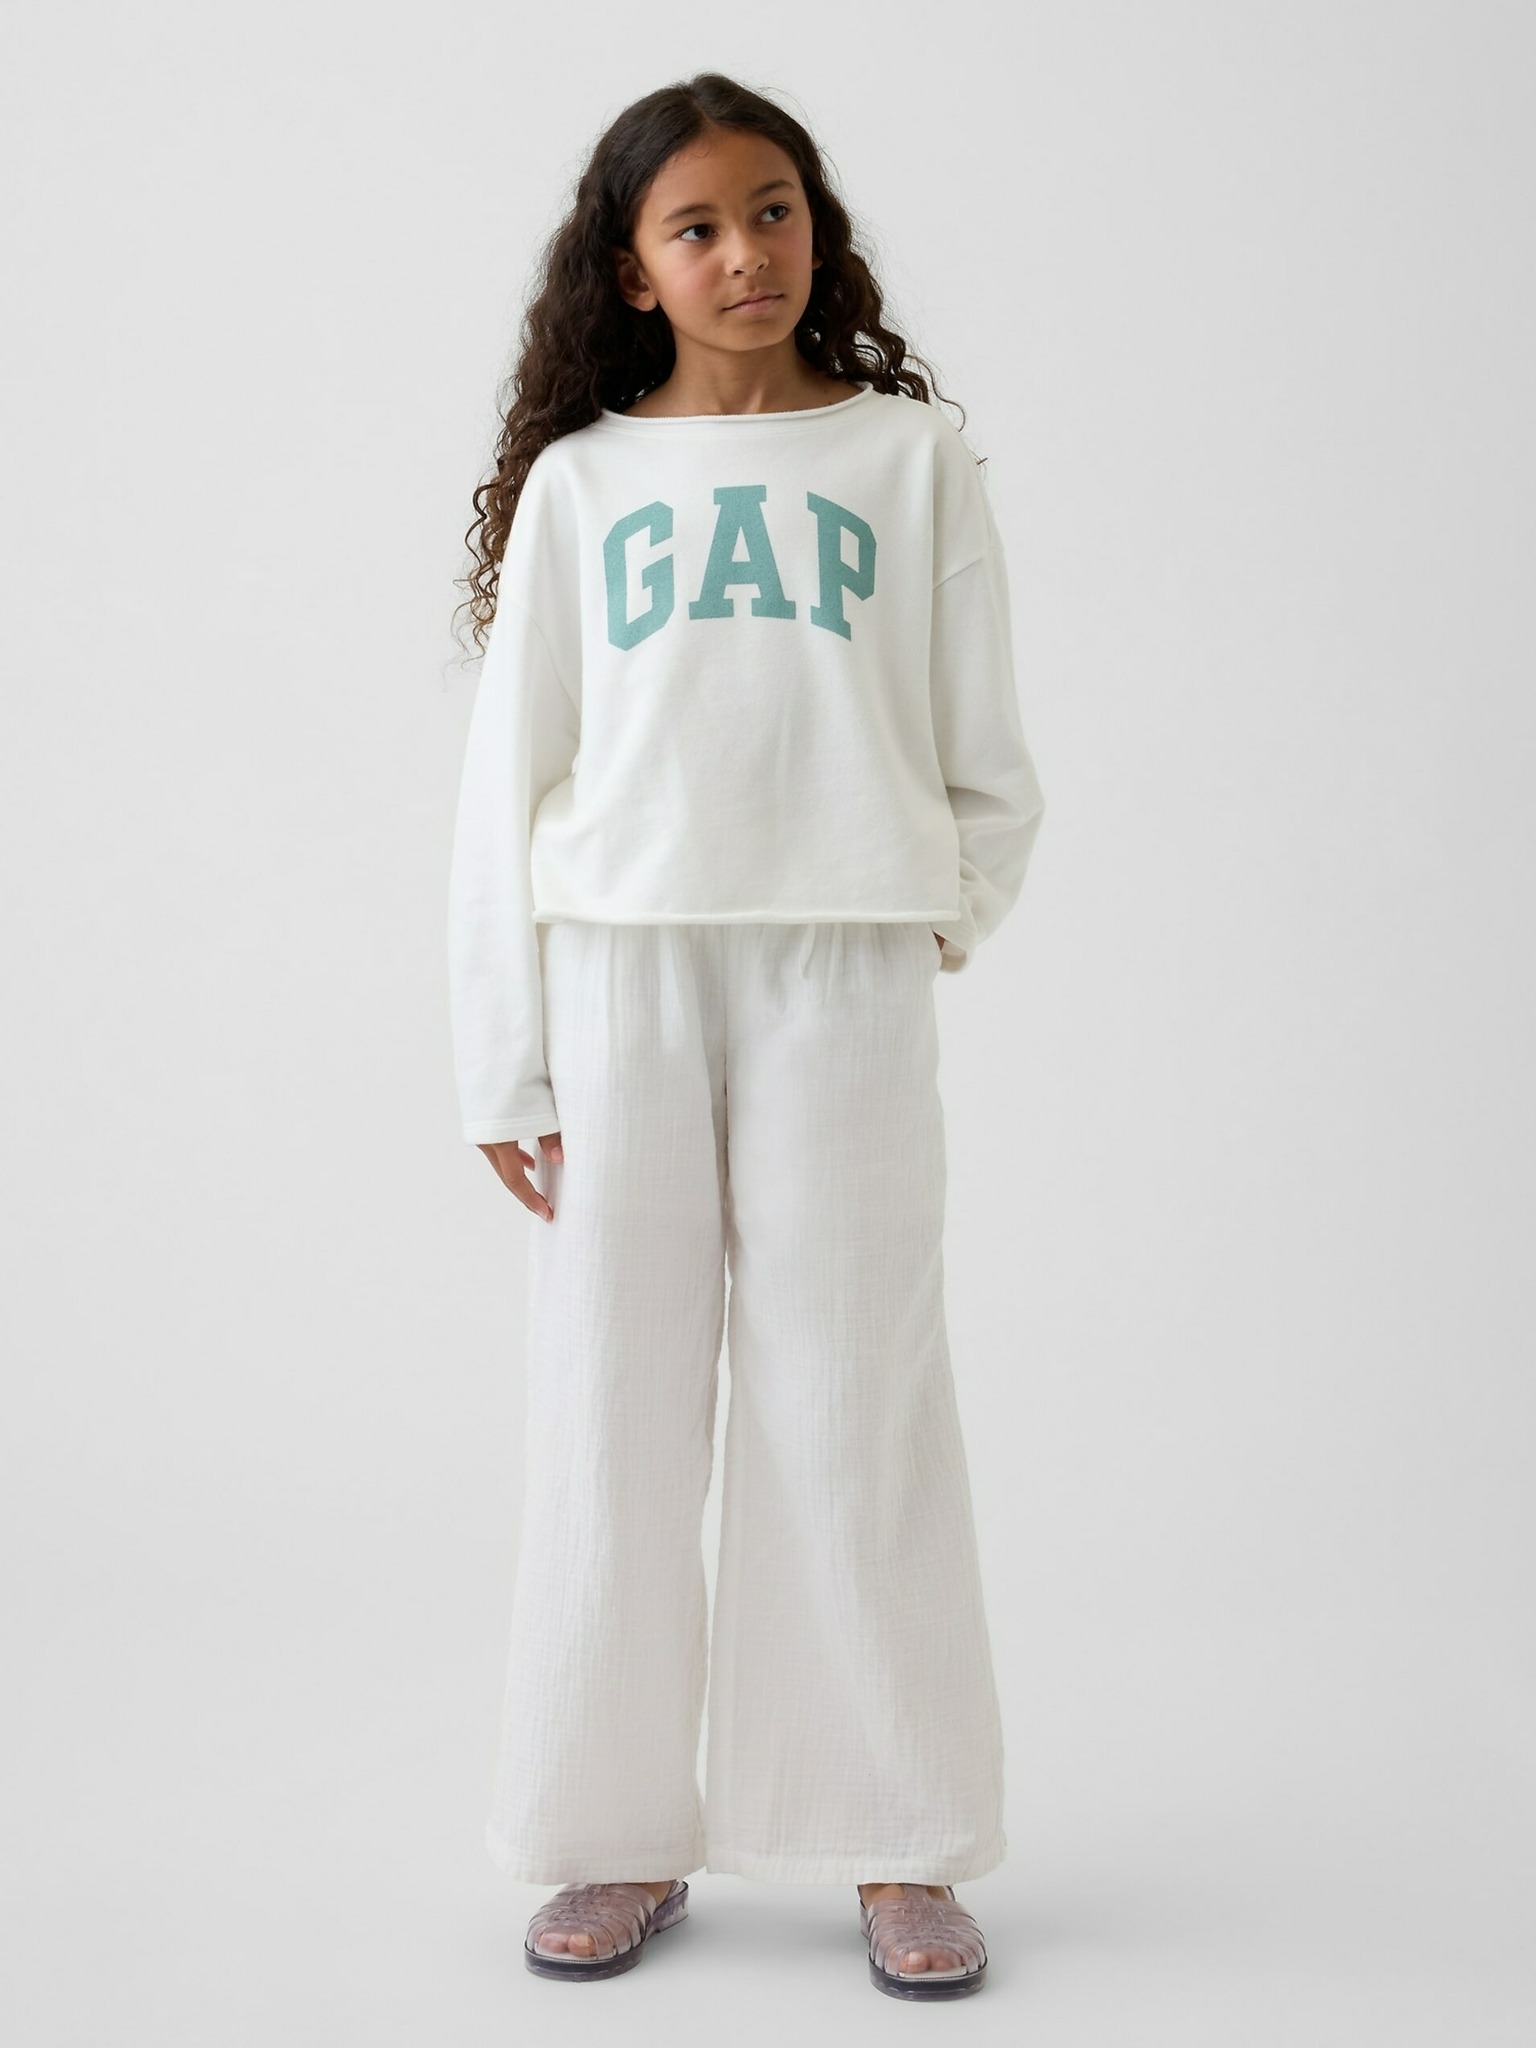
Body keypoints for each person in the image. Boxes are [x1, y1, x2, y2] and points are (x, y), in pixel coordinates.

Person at [446, 70, 1046, 2003]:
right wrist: (502, 1054)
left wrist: (933, 903)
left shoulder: (906, 460)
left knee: (856, 1397)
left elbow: (987, 751)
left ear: (816, 225)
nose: (745, 253)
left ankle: (898, 1835)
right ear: (631, 270)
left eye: (773, 210)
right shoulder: (583, 484)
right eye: (696, 227)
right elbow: (506, 781)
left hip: (838, 972)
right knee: (611, 1399)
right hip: (620, 969)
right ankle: (613, 1828)